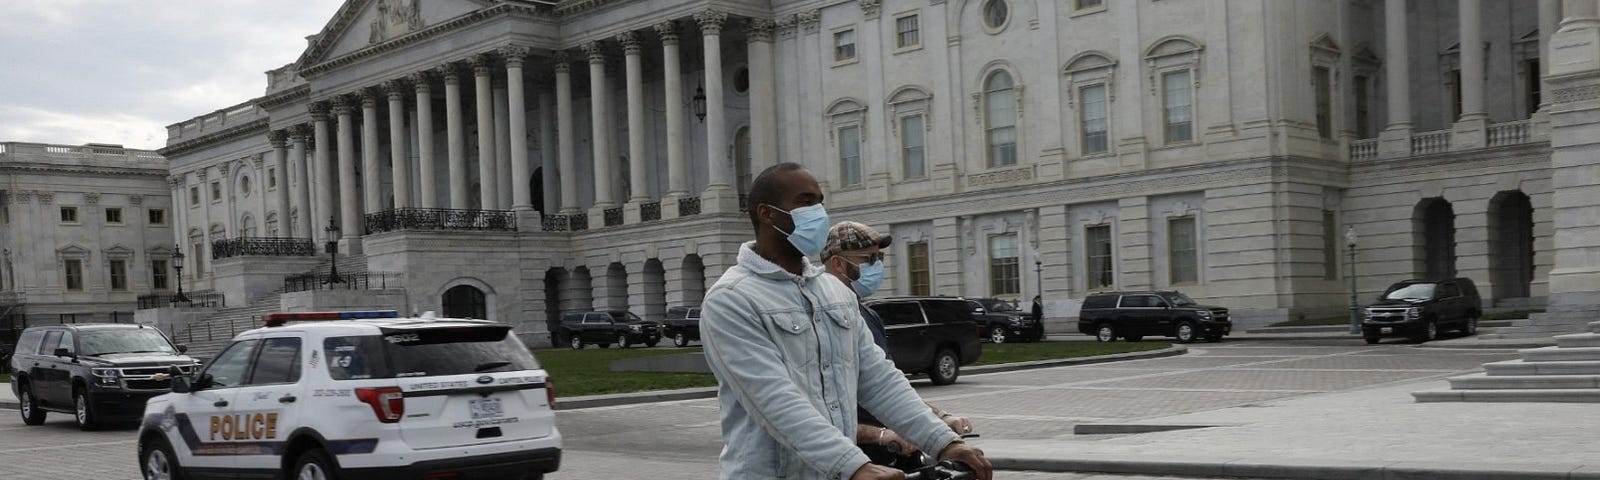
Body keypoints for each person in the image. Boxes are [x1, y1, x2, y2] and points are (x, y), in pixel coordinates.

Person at [700, 163, 993, 480]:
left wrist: (943, 442)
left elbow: (879, 380)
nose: (819, 211)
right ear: (766, 214)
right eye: (806, 201)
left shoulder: (833, 293)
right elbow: (775, 402)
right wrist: (855, 466)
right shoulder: (731, 299)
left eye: (820, 201)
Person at [818, 221, 974, 462]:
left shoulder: (868, 316)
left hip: (895, 450)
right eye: (868, 259)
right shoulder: (817, 320)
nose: (877, 265)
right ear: (838, 264)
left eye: (879, 257)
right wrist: (878, 435)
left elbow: (888, 385)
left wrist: (939, 418)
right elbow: (818, 410)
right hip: (853, 459)